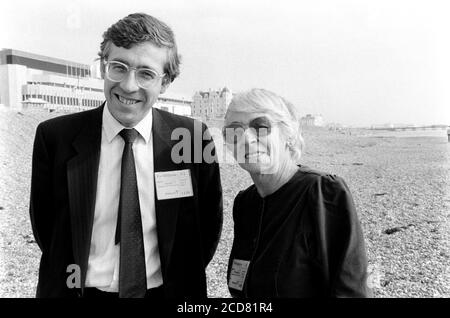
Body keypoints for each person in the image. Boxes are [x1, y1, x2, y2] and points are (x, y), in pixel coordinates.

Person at [29, 13, 223, 298]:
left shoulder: (192, 138)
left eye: (146, 73)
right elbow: (47, 230)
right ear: (103, 68)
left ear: (165, 83)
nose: (129, 85)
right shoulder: (55, 137)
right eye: (118, 67)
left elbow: (206, 228)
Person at [223, 88, 371, 297]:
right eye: (234, 131)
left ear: (288, 137)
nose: (246, 138)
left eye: (261, 126)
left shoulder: (322, 193)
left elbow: (350, 290)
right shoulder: (245, 204)